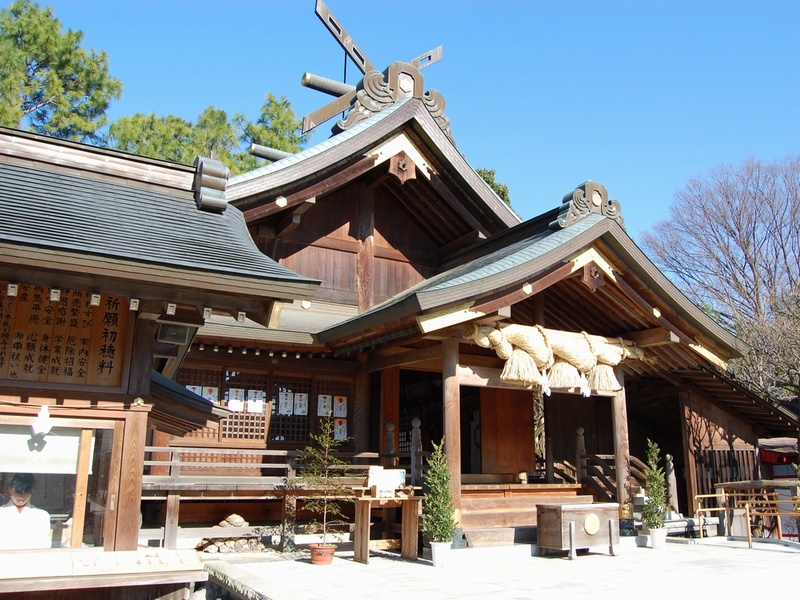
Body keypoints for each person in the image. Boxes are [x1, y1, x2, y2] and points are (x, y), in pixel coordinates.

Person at [0, 473, 51, 550]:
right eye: (18, 493)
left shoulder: (42, 516)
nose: (21, 497)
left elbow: (44, 544)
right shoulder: (1, 513)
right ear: (10, 490)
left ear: (32, 492)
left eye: (26, 493)